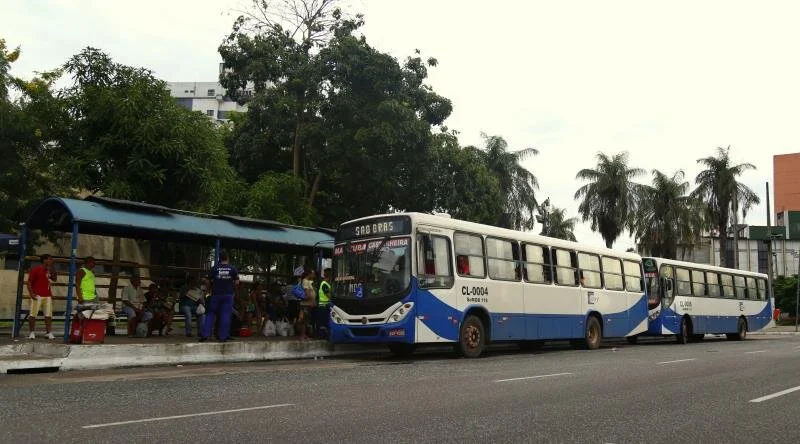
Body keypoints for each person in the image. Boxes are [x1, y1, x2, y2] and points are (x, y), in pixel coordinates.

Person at [200, 251, 239, 342]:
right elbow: (237, 282)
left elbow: (207, 281)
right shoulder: (233, 268)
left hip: (216, 294)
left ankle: (205, 335)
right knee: (225, 315)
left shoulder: (215, 268)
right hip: (228, 295)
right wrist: (232, 288)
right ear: (227, 258)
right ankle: (223, 337)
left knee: (210, 314)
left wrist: (209, 289)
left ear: (219, 259)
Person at [26, 254, 58, 339]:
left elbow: (54, 279)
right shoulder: (36, 269)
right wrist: (31, 294)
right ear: (44, 260)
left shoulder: (49, 270)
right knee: (33, 315)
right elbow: (29, 282)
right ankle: (32, 332)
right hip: (37, 295)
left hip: (47, 296)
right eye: (50, 259)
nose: (51, 261)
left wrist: (53, 270)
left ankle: (48, 332)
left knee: (48, 315)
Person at [315, 268, 332, 339]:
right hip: (323, 306)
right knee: (322, 322)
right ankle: (322, 335)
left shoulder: (326, 284)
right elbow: (328, 295)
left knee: (324, 322)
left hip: (325, 306)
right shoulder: (324, 284)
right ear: (329, 276)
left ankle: (324, 335)